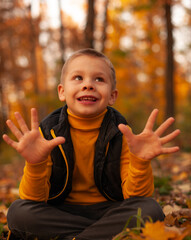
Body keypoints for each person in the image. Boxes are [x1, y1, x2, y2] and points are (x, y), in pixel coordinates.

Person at [3, 48, 180, 240]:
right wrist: (35, 165)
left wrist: (140, 162)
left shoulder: (121, 132)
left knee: (150, 209)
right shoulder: (47, 132)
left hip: (109, 210)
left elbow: (135, 196)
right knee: (18, 212)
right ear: (62, 92)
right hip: (60, 212)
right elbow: (35, 199)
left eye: (99, 79)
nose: (88, 85)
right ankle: (100, 235)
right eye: (78, 78)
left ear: (112, 96)